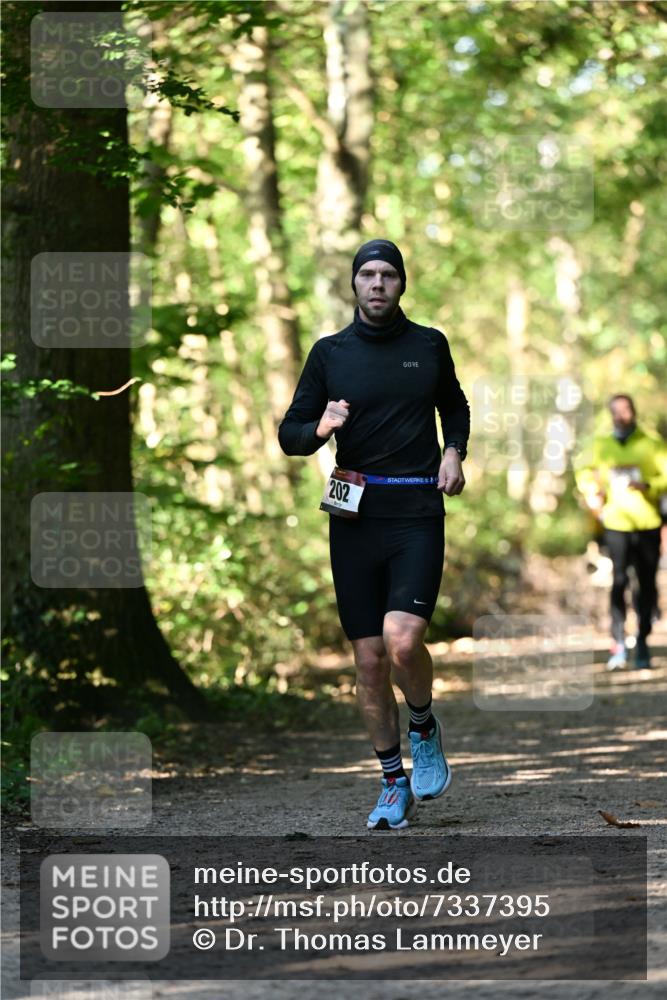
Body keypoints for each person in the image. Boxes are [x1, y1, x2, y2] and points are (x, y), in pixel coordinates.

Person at [278, 239, 470, 830]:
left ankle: (423, 725)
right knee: (366, 662)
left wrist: (454, 452)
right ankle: (393, 782)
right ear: (355, 285)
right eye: (368, 274)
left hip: (415, 508)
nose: (378, 283)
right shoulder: (330, 353)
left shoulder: (429, 344)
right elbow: (290, 434)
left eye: (388, 274)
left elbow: (455, 405)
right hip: (354, 514)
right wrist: (320, 427)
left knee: (403, 643)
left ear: (402, 283)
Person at [574, 394, 667, 670]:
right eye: (615, 411)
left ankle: (643, 641)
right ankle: (618, 641)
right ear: (611, 414)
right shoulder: (600, 444)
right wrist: (592, 492)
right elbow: (582, 470)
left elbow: (665, 476)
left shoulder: (651, 443)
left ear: (634, 412)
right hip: (615, 522)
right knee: (618, 581)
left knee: (646, 583)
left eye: (626, 410)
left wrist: (648, 485)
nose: (621, 416)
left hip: (647, 522)